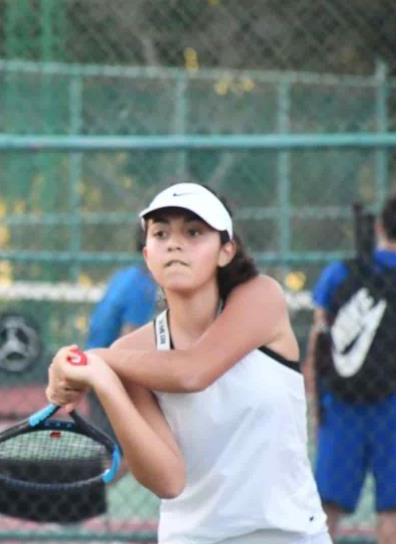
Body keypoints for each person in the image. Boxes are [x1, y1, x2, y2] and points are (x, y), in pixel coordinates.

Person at [46, 182, 331, 543]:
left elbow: (193, 371)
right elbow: (168, 480)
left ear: (226, 250)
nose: (175, 243)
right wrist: (104, 381)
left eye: (194, 232)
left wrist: (98, 359)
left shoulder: (262, 297)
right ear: (148, 255)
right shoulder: (131, 353)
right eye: (161, 233)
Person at [302, 190, 396, 544]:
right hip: (393, 408)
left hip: (341, 405)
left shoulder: (339, 273)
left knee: (324, 515)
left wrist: (315, 409)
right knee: (392, 514)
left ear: (380, 226)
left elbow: (315, 353)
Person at [84, 225, 157, 436]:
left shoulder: (125, 276)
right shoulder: (143, 288)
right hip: (108, 375)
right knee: (125, 449)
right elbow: (128, 345)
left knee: (113, 450)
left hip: (96, 367)